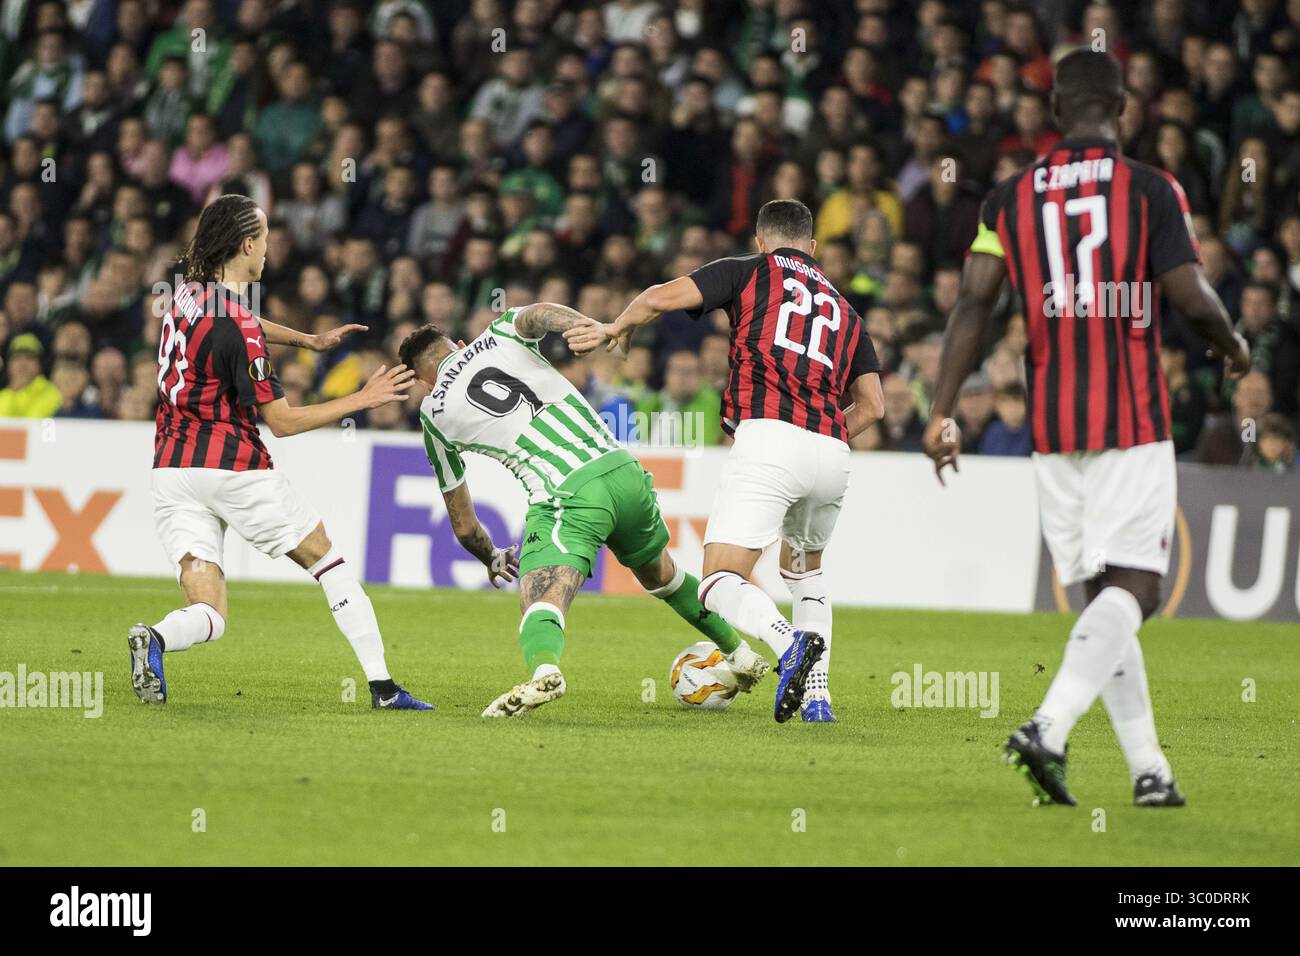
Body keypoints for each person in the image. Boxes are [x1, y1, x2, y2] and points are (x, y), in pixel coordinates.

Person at [922, 50, 1250, 808]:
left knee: (1104, 591)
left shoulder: (1007, 200)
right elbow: (1192, 297)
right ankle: (1049, 725)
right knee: (1138, 585)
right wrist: (1230, 344)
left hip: (1053, 424)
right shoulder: (1150, 189)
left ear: (1058, 111)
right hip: (1129, 417)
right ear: (1123, 108)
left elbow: (974, 306)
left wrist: (943, 409)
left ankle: (1149, 771)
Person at [567, 199, 885, 723]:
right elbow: (873, 406)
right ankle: (818, 699)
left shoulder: (749, 271)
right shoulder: (846, 311)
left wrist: (614, 328)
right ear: (813, 247)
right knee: (804, 575)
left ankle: (787, 647)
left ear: (761, 242)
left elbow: (659, 297)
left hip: (769, 440)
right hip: (832, 452)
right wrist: (823, 431)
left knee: (717, 582)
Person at [130, 194, 431, 710]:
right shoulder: (238, 323)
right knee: (329, 564)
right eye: (265, 238)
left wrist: (309, 342)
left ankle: (155, 638)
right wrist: (363, 397)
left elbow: (240, 324)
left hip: (171, 468)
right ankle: (384, 689)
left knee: (210, 612)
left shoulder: (186, 293)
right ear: (247, 243)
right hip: (234, 467)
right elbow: (284, 422)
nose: (269, 249)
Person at [398, 304, 769, 718]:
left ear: (421, 381)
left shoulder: (433, 416)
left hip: (567, 492)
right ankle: (740, 654)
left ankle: (544, 672)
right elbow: (538, 313)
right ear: (461, 344)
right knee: (662, 575)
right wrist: (590, 326)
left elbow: (465, 526)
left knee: (541, 593)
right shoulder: (499, 332)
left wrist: (491, 556)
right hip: (624, 470)